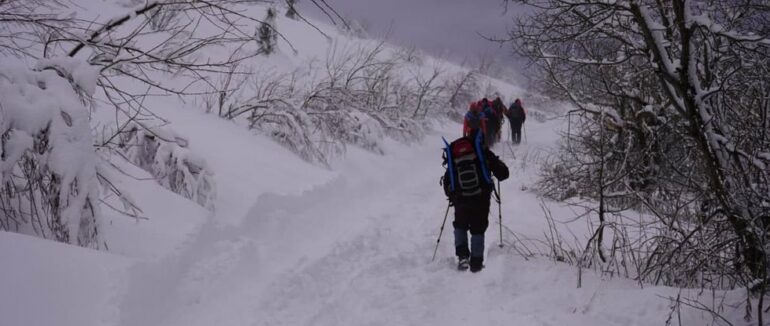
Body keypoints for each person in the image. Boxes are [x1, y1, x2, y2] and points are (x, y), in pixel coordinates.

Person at [442, 128, 509, 272]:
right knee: (478, 229)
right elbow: (504, 174)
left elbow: (448, 180)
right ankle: (476, 263)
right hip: (481, 198)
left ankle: (462, 258)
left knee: (460, 225)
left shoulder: (455, 153)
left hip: (460, 198)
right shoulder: (482, 152)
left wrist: (452, 195)